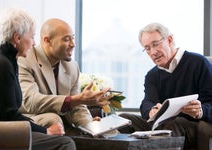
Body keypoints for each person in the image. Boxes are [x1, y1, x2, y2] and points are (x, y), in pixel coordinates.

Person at [0, 8, 76, 150]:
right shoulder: (1, 64)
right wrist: (46, 131)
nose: (33, 43)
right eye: (31, 37)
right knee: (65, 143)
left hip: (2, 129)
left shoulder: (8, 61)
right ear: (17, 38)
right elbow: (10, 116)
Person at [118, 22, 212, 150]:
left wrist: (200, 111)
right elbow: (147, 102)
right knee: (122, 119)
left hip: (190, 124)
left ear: (169, 40)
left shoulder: (198, 63)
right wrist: (151, 110)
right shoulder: (152, 75)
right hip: (161, 124)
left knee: (173, 123)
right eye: (147, 48)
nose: (153, 52)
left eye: (156, 44)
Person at [17, 18, 112, 135]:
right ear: (47, 41)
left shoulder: (72, 66)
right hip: (32, 119)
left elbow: (78, 107)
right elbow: (30, 101)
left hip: (64, 124)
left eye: (73, 38)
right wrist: (74, 100)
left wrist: (90, 125)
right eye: (67, 39)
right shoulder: (25, 60)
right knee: (53, 119)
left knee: (107, 131)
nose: (73, 44)